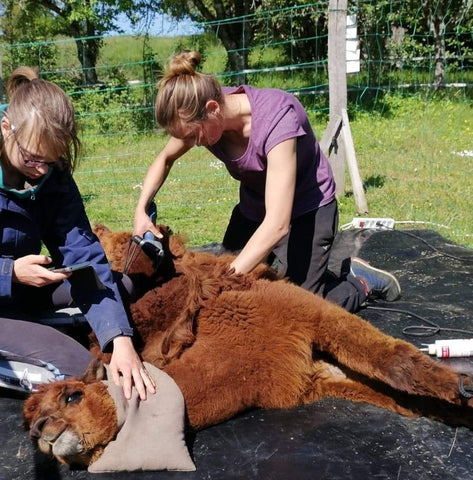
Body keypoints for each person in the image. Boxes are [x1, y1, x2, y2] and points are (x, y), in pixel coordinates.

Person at [134, 50, 401, 313]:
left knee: (298, 310)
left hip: (307, 209)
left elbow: (277, 224)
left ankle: (358, 282)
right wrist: (141, 210)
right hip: (255, 206)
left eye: (193, 137)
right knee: (242, 292)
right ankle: (306, 273)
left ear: (213, 109)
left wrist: (223, 279)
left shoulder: (277, 118)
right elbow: (165, 159)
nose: (191, 144)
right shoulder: (197, 109)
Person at [0, 66, 155, 399]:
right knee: (77, 367)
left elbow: (83, 255)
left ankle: (27, 329)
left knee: (118, 287)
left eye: (50, 161)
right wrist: (9, 272)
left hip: (20, 286)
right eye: (32, 158)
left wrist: (120, 340)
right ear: (5, 128)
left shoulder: (52, 174)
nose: (41, 171)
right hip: (11, 279)